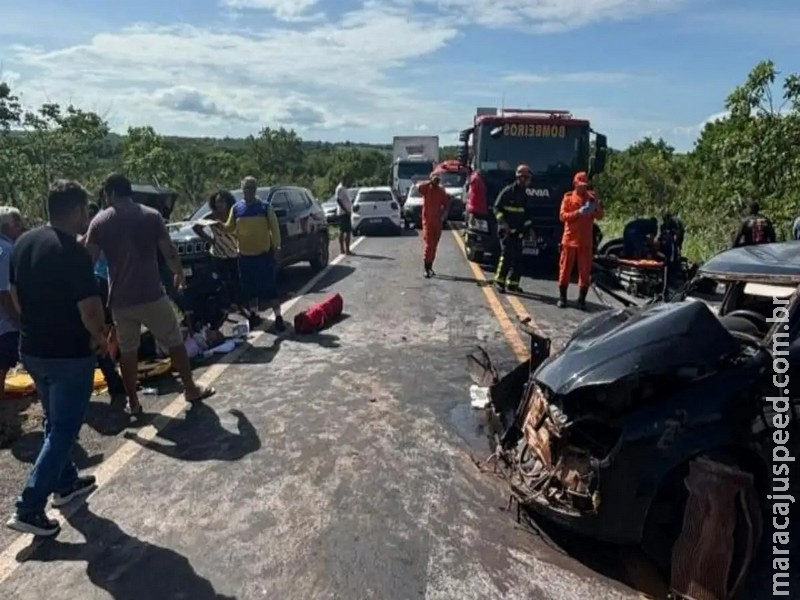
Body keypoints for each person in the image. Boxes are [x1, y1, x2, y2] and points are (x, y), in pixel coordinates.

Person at [5, 180, 107, 537]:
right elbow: (90, 309)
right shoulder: (73, 252)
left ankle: (65, 483)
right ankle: (30, 506)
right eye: (86, 211)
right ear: (78, 210)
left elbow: (15, 295)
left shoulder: (24, 243)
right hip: (69, 353)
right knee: (64, 428)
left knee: (54, 418)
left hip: (33, 348)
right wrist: (101, 338)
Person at [84, 173, 215, 416]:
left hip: (121, 301)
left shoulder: (100, 222)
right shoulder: (151, 216)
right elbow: (169, 251)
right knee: (174, 340)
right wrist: (178, 273)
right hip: (151, 293)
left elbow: (87, 262)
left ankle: (133, 401)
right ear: (129, 191)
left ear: (110, 193)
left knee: (128, 350)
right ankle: (190, 388)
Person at [222, 176, 285, 332]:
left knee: (270, 288)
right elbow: (228, 228)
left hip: (263, 256)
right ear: (242, 190)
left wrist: (277, 247)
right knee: (250, 289)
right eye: (246, 189)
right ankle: (254, 315)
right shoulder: (236, 209)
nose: (248, 192)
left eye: (251, 188)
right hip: (245, 257)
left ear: (255, 189)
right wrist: (216, 225)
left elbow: (274, 228)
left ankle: (278, 317)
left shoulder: (264, 207)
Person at [85, 201, 125, 397]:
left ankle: (111, 361)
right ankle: (110, 366)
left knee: (110, 327)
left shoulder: (101, 234)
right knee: (105, 328)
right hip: (99, 285)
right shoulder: (88, 237)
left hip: (106, 282)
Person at [192, 190, 250, 320]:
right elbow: (196, 227)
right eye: (217, 202)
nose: (220, 204)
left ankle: (242, 307)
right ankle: (226, 309)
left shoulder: (233, 215)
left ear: (228, 202)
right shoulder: (211, 216)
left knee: (237, 282)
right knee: (223, 283)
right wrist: (210, 239)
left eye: (222, 201)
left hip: (234, 253)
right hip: (218, 255)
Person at [558, 171, 603, 309]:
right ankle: (563, 298)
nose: (583, 188)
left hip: (585, 241)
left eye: (585, 185)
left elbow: (600, 216)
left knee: (585, 271)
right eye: (580, 185)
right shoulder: (568, 198)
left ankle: (581, 300)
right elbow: (562, 216)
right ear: (575, 184)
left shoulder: (591, 198)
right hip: (570, 239)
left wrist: (595, 207)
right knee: (565, 269)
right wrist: (578, 212)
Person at [493, 164, 532, 293]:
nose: (527, 181)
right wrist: (503, 222)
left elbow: (526, 214)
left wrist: (528, 229)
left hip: (518, 231)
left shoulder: (524, 194)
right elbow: (496, 208)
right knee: (506, 256)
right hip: (506, 231)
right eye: (526, 178)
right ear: (520, 178)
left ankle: (513, 283)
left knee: (518, 258)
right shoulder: (508, 191)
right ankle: (499, 281)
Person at [0, 207, 24, 403]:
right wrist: (18, 320)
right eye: (17, 224)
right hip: (5, 323)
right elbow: (4, 292)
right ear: (8, 226)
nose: (21, 228)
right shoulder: (6, 250)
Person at [418, 173, 449, 278]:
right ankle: (426, 268)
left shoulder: (441, 191)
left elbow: (446, 205)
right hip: (427, 222)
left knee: (434, 246)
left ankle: (430, 266)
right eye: (435, 179)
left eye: (438, 179)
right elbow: (419, 188)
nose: (436, 181)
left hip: (437, 222)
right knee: (429, 245)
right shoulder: (427, 189)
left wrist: (444, 215)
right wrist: (429, 181)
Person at [335, 178, 354, 255]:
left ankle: (345, 249)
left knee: (345, 231)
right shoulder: (340, 188)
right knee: (345, 231)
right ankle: (345, 249)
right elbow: (338, 200)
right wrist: (346, 210)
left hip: (347, 212)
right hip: (343, 213)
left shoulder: (345, 188)